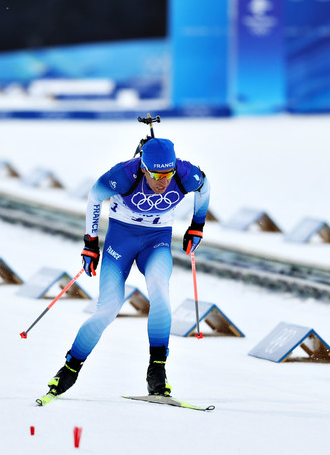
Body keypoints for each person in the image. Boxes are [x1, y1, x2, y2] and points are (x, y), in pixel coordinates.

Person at [38, 136, 210, 404]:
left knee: (161, 294)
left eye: (168, 174)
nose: (162, 182)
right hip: (121, 241)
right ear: (143, 167)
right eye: (156, 175)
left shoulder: (186, 174)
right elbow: (95, 196)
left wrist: (197, 225)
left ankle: (157, 373)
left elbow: (205, 188)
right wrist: (90, 242)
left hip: (157, 240)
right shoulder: (124, 174)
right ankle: (69, 369)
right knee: (107, 308)